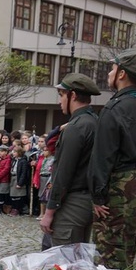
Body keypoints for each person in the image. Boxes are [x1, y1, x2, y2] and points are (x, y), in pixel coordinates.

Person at [89, 50, 136, 270]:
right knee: (129, 242)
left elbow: (102, 156)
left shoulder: (114, 108)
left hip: (121, 182)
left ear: (122, 74)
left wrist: (97, 196)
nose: (110, 73)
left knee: (109, 249)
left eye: (112, 68)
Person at [40, 73, 100, 246]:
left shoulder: (76, 127)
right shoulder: (94, 121)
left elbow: (63, 173)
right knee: (78, 262)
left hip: (72, 203)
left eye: (61, 95)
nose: (59, 101)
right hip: (86, 201)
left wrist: (49, 212)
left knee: (64, 263)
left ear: (72, 95)